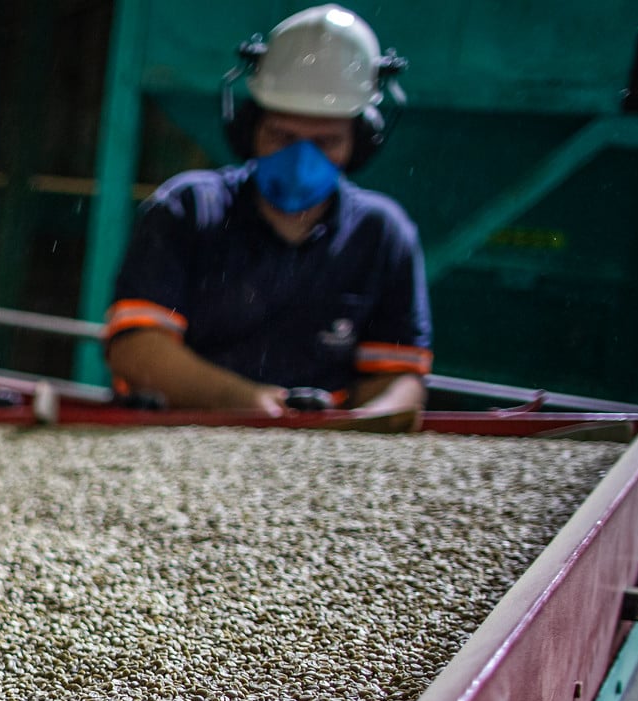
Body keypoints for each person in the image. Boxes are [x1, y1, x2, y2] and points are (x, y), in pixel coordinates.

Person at [103, 6, 430, 426]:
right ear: (249, 129)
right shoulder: (188, 209)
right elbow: (136, 348)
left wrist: (368, 423)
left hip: (322, 452)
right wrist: (245, 402)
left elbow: (398, 376)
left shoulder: (383, 234)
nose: (300, 160)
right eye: (284, 136)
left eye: (325, 141)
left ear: (361, 143)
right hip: (176, 432)